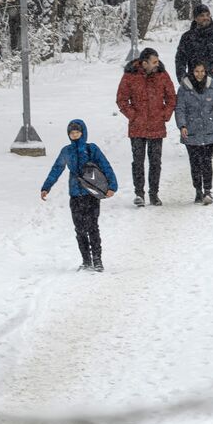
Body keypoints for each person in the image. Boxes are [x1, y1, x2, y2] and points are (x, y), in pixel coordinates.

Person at [40, 119, 118, 272]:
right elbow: (57, 169)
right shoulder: (66, 151)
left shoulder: (92, 149)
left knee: (93, 227)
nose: (74, 135)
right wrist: (46, 186)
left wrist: (112, 186)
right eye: (72, 133)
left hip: (91, 194)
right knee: (80, 229)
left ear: (83, 133)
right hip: (75, 195)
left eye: (77, 132)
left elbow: (105, 165)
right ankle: (86, 260)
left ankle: (97, 260)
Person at [173, 3, 213, 156]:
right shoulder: (188, 37)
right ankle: (196, 141)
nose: (205, 18)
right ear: (195, 18)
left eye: (207, 15)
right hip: (192, 82)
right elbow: (180, 59)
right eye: (202, 15)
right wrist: (182, 78)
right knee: (194, 112)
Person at [116, 48, 176, 206]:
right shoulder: (130, 76)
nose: (157, 64)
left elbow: (171, 97)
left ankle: (154, 193)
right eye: (154, 62)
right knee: (138, 161)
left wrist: (165, 114)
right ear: (144, 63)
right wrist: (133, 116)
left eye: (157, 61)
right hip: (137, 127)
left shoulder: (162, 75)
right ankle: (139, 193)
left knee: (155, 162)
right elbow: (121, 100)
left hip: (157, 125)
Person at [174, 61, 213, 205]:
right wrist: (182, 125)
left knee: (207, 162)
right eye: (196, 71)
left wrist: (212, 116)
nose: (199, 74)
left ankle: (208, 190)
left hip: (208, 131)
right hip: (192, 132)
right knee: (195, 163)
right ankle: (198, 190)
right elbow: (180, 108)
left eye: (202, 71)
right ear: (192, 72)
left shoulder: (212, 85)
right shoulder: (184, 88)